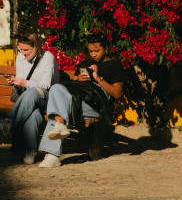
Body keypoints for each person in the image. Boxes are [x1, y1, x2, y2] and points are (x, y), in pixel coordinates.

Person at [36, 34, 124, 168]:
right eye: (91, 51)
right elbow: (73, 83)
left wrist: (98, 77)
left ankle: (52, 155)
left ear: (106, 48)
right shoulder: (86, 63)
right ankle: (60, 124)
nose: (93, 55)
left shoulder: (115, 64)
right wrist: (78, 79)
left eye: (97, 51)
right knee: (56, 88)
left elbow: (117, 93)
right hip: (77, 97)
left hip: (96, 105)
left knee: (59, 107)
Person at [0, 32, 59, 164]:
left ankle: (10, 122)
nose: (23, 53)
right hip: (29, 101)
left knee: (33, 92)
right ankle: (31, 150)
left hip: (48, 99)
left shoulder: (47, 58)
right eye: (21, 49)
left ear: (36, 47)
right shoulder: (20, 58)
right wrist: (15, 82)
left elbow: (46, 85)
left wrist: (25, 83)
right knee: (33, 114)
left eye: (26, 50)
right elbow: (22, 79)